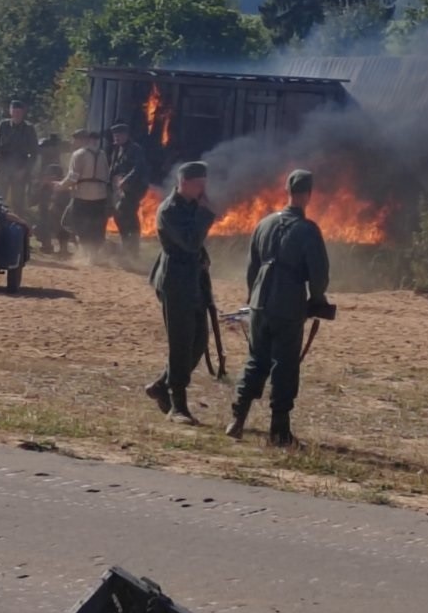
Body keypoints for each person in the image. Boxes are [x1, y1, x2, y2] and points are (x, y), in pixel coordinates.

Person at [228, 168, 331, 448]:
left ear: (287, 191)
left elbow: (251, 268)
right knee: (284, 366)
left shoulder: (264, 224)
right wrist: (317, 300)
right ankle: (279, 431)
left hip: (260, 303)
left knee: (256, 360)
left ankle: (237, 419)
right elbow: (319, 273)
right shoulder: (308, 230)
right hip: (288, 306)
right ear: (308, 194)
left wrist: (254, 298)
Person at [146, 161, 216, 424]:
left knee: (198, 342)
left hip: (194, 281)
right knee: (180, 344)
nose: (203, 189)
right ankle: (178, 407)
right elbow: (189, 242)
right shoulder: (170, 209)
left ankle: (162, 385)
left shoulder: (192, 206)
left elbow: (197, 247)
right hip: (175, 282)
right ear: (184, 182)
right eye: (199, 184)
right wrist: (206, 215)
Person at [57, 129, 111, 258]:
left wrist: (60, 186)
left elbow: (72, 178)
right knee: (96, 226)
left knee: (73, 222)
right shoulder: (102, 154)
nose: (73, 142)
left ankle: (84, 252)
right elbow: (106, 175)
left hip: (83, 196)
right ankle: (94, 252)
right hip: (100, 196)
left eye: (75, 139)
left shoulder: (78, 154)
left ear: (82, 140)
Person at [0, 99, 39, 212]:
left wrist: (25, 170)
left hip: (20, 167)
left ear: (23, 113)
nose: (17, 114)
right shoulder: (3, 125)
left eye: (19, 112)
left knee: (18, 201)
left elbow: (35, 153)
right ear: (10, 112)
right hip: (2, 166)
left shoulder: (29, 128)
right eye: (14, 111)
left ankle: (18, 223)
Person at [109, 122, 150, 255]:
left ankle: (132, 248)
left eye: (119, 135)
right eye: (115, 135)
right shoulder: (117, 149)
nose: (117, 138)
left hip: (134, 188)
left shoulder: (135, 149)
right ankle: (127, 243)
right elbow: (113, 168)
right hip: (121, 188)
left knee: (127, 213)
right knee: (119, 214)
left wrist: (126, 180)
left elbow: (138, 168)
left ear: (126, 135)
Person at [34, 135, 69, 255]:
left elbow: (59, 175)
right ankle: (47, 245)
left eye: (46, 147)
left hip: (57, 191)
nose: (43, 150)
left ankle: (62, 247)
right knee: (43, 218)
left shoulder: (56, 159)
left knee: (59, 219)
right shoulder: (40, 160)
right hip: (45, 192)